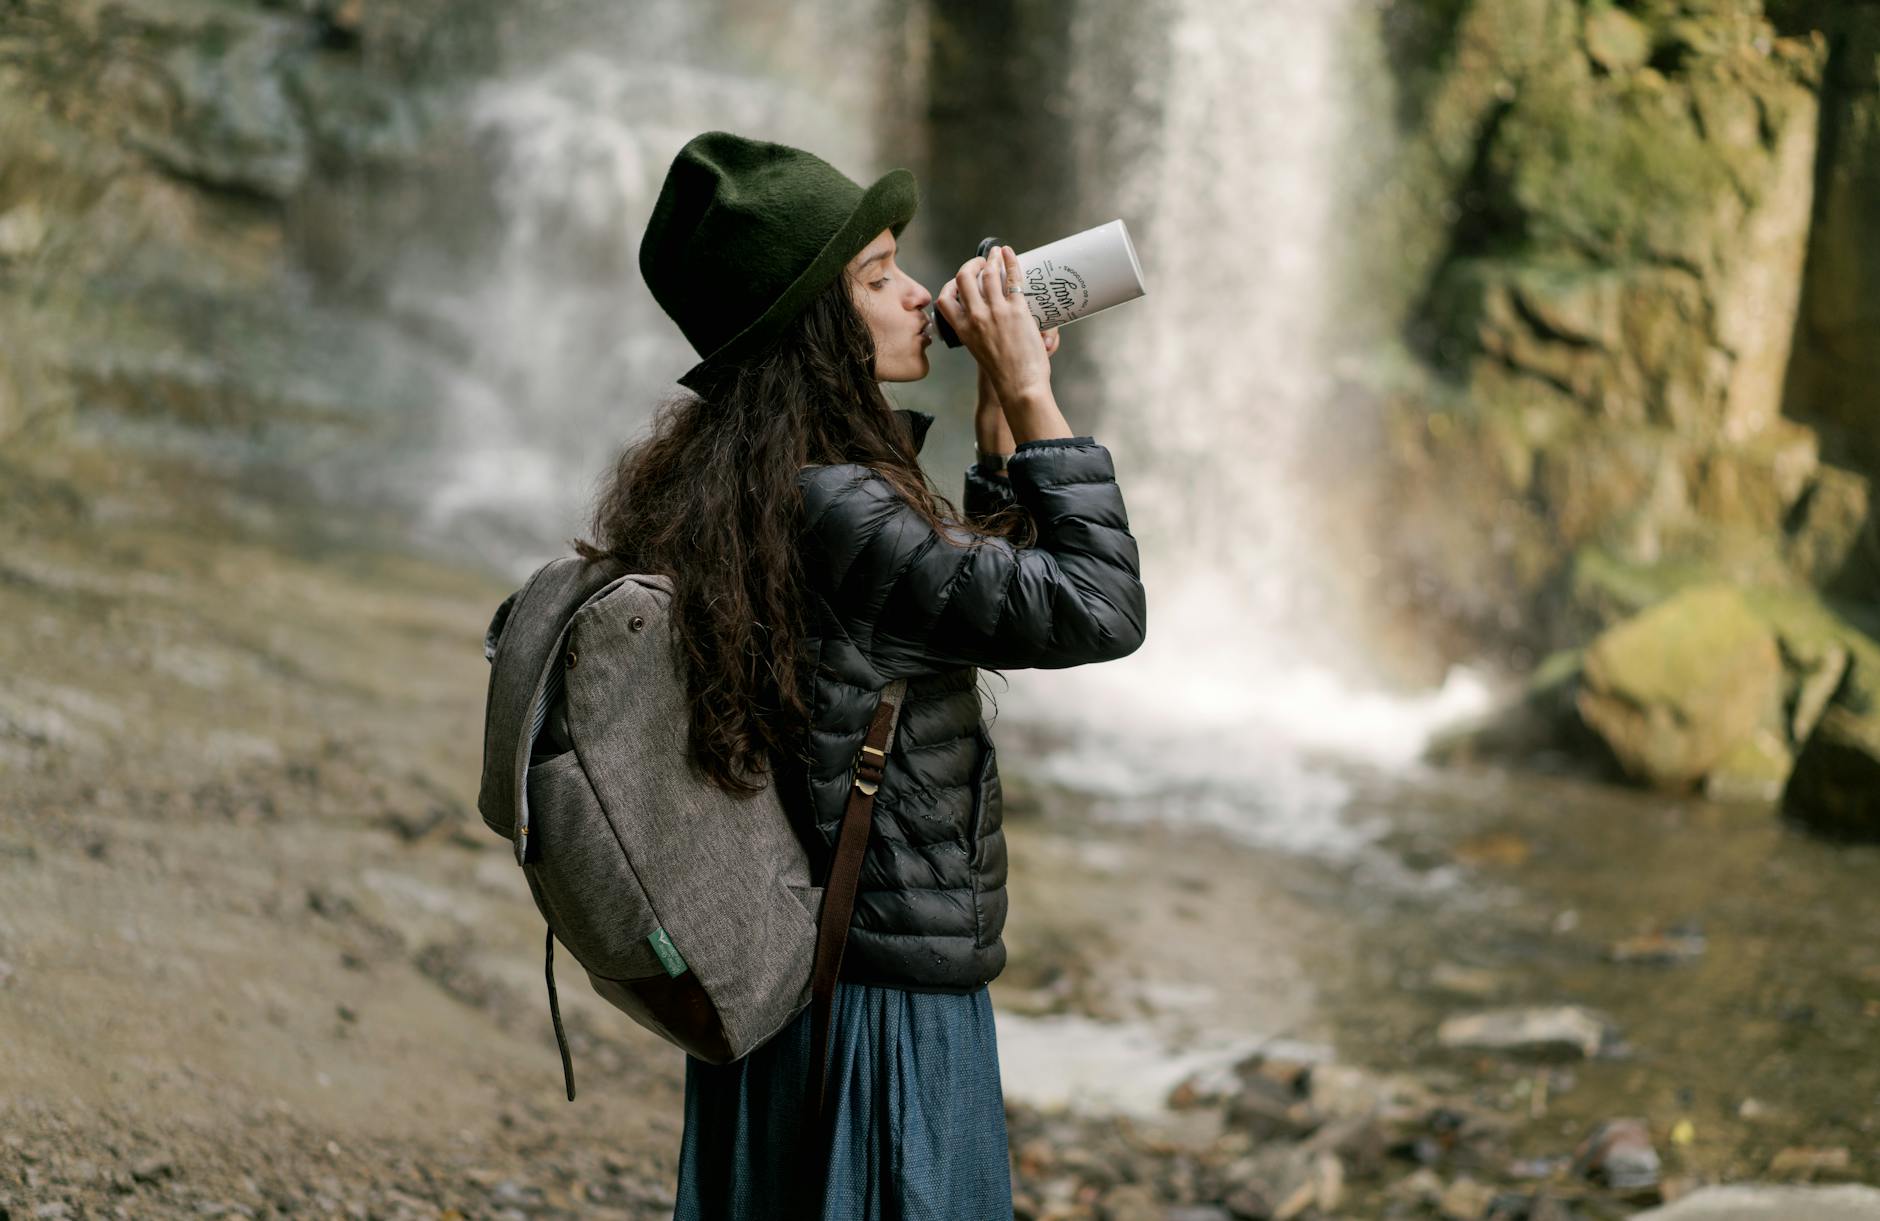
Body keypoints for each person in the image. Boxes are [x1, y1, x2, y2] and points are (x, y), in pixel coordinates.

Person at [577, 130, 1147, 1219]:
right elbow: (1097, 609)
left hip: (801, 986)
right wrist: (1031, 397)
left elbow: (938, 616)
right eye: (878, 276)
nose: (917, 296)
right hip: (877, 1005)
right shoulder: (839, 505)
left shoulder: (744, 483)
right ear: (810, 328)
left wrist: (993, 447)